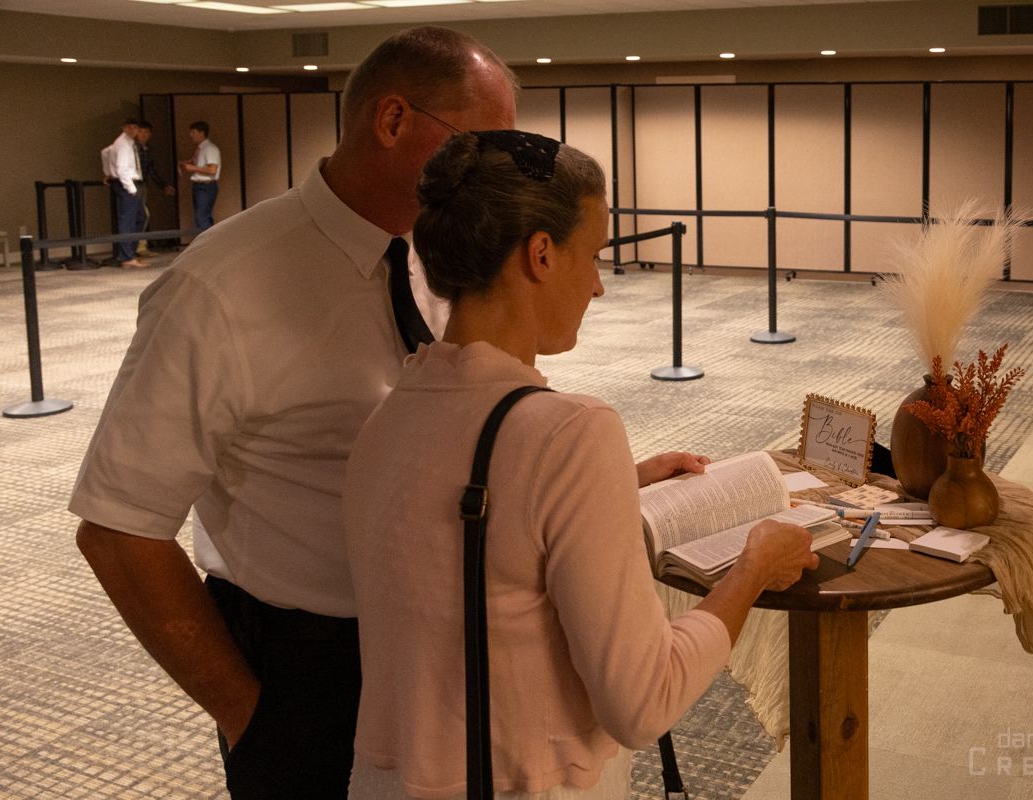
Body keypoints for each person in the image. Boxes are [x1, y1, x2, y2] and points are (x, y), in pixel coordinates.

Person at [71, 27, 518, 799]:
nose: (493, 175)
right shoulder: (221, 288)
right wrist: (252, 715)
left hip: (443, 633)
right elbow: (117, 527)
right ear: (393, 121)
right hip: (307, 661)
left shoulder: (429, 255)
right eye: (480, 146)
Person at [342, 131, 821, 799]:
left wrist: (614, 487)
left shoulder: (385, 419)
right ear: (541, 253)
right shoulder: (570, 434)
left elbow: (462, 539)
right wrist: (753, 570)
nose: (598, 285)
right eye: (592, 255)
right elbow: (642, 701)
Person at [100, 117, 148, 268]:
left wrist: (108, 171)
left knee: (140, 218)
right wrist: (131, 188)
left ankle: (130, 253)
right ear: (124, 128)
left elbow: (105, 152)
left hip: (128, 183)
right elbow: (121, 168)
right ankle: (127, 256)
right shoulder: (123, 144)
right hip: (128, 184)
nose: (133, 130)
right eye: (130, 128)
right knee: (128, 220)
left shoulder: (126, 143)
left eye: (135, 128)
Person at [133, 120, 175, 257]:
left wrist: (163, 186)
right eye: (140, 131)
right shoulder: (133, 149)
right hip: (133, 184)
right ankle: (135, 248)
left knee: (143, 215)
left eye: (146, 132)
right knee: (139, 215)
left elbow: (151, 170)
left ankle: (140, 246)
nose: (143, 134)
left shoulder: (147, 149)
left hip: (143, 184)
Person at [179, 120, 220, 232]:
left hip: (206, 186)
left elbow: (212, 170)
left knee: (201, 218)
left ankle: (207, 247)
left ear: (201, 133)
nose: (191, 135)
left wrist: (193, 168)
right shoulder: (200, 149)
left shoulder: (210, 148)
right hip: (200, 187)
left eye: (193, 132)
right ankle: (210, 244)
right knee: (203, 217)